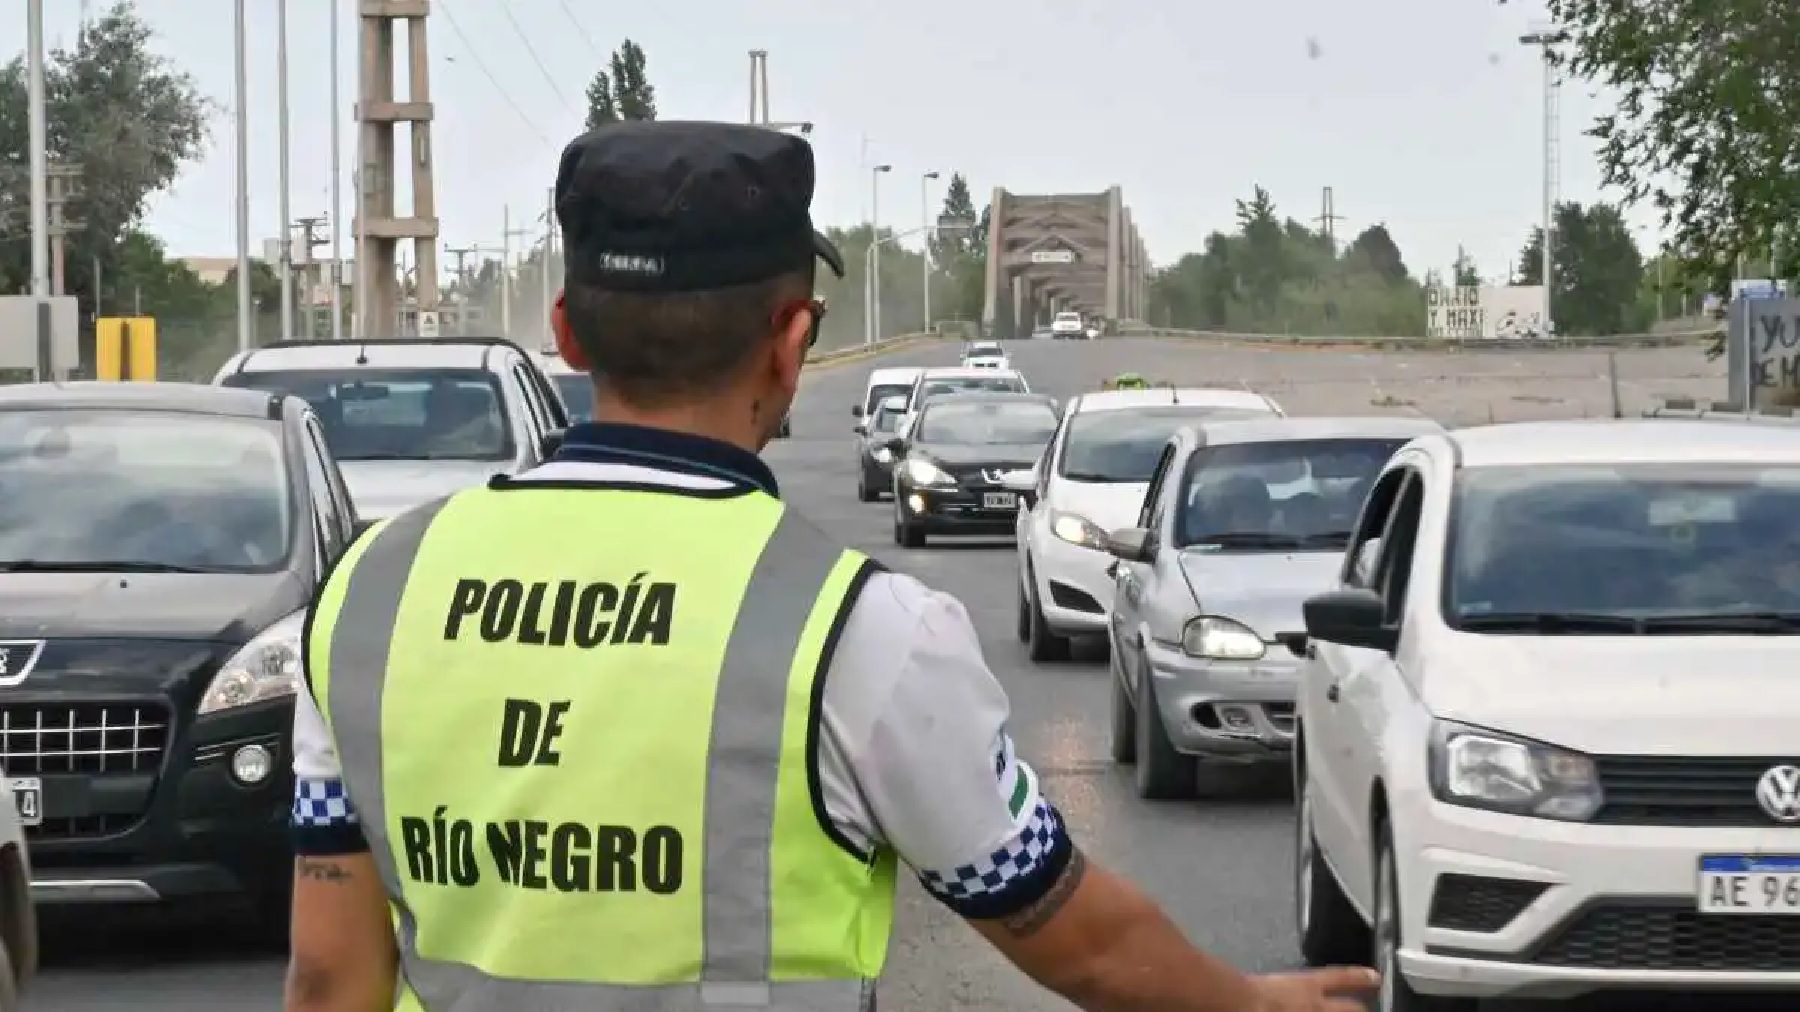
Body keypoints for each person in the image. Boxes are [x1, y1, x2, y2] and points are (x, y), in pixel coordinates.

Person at [283, 120, 1377, 1012]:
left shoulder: (370, 594)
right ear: (793, 338)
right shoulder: (858, 630)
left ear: (566, 333)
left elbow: (332, 976)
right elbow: (1067, 930)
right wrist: (1248, 1002)